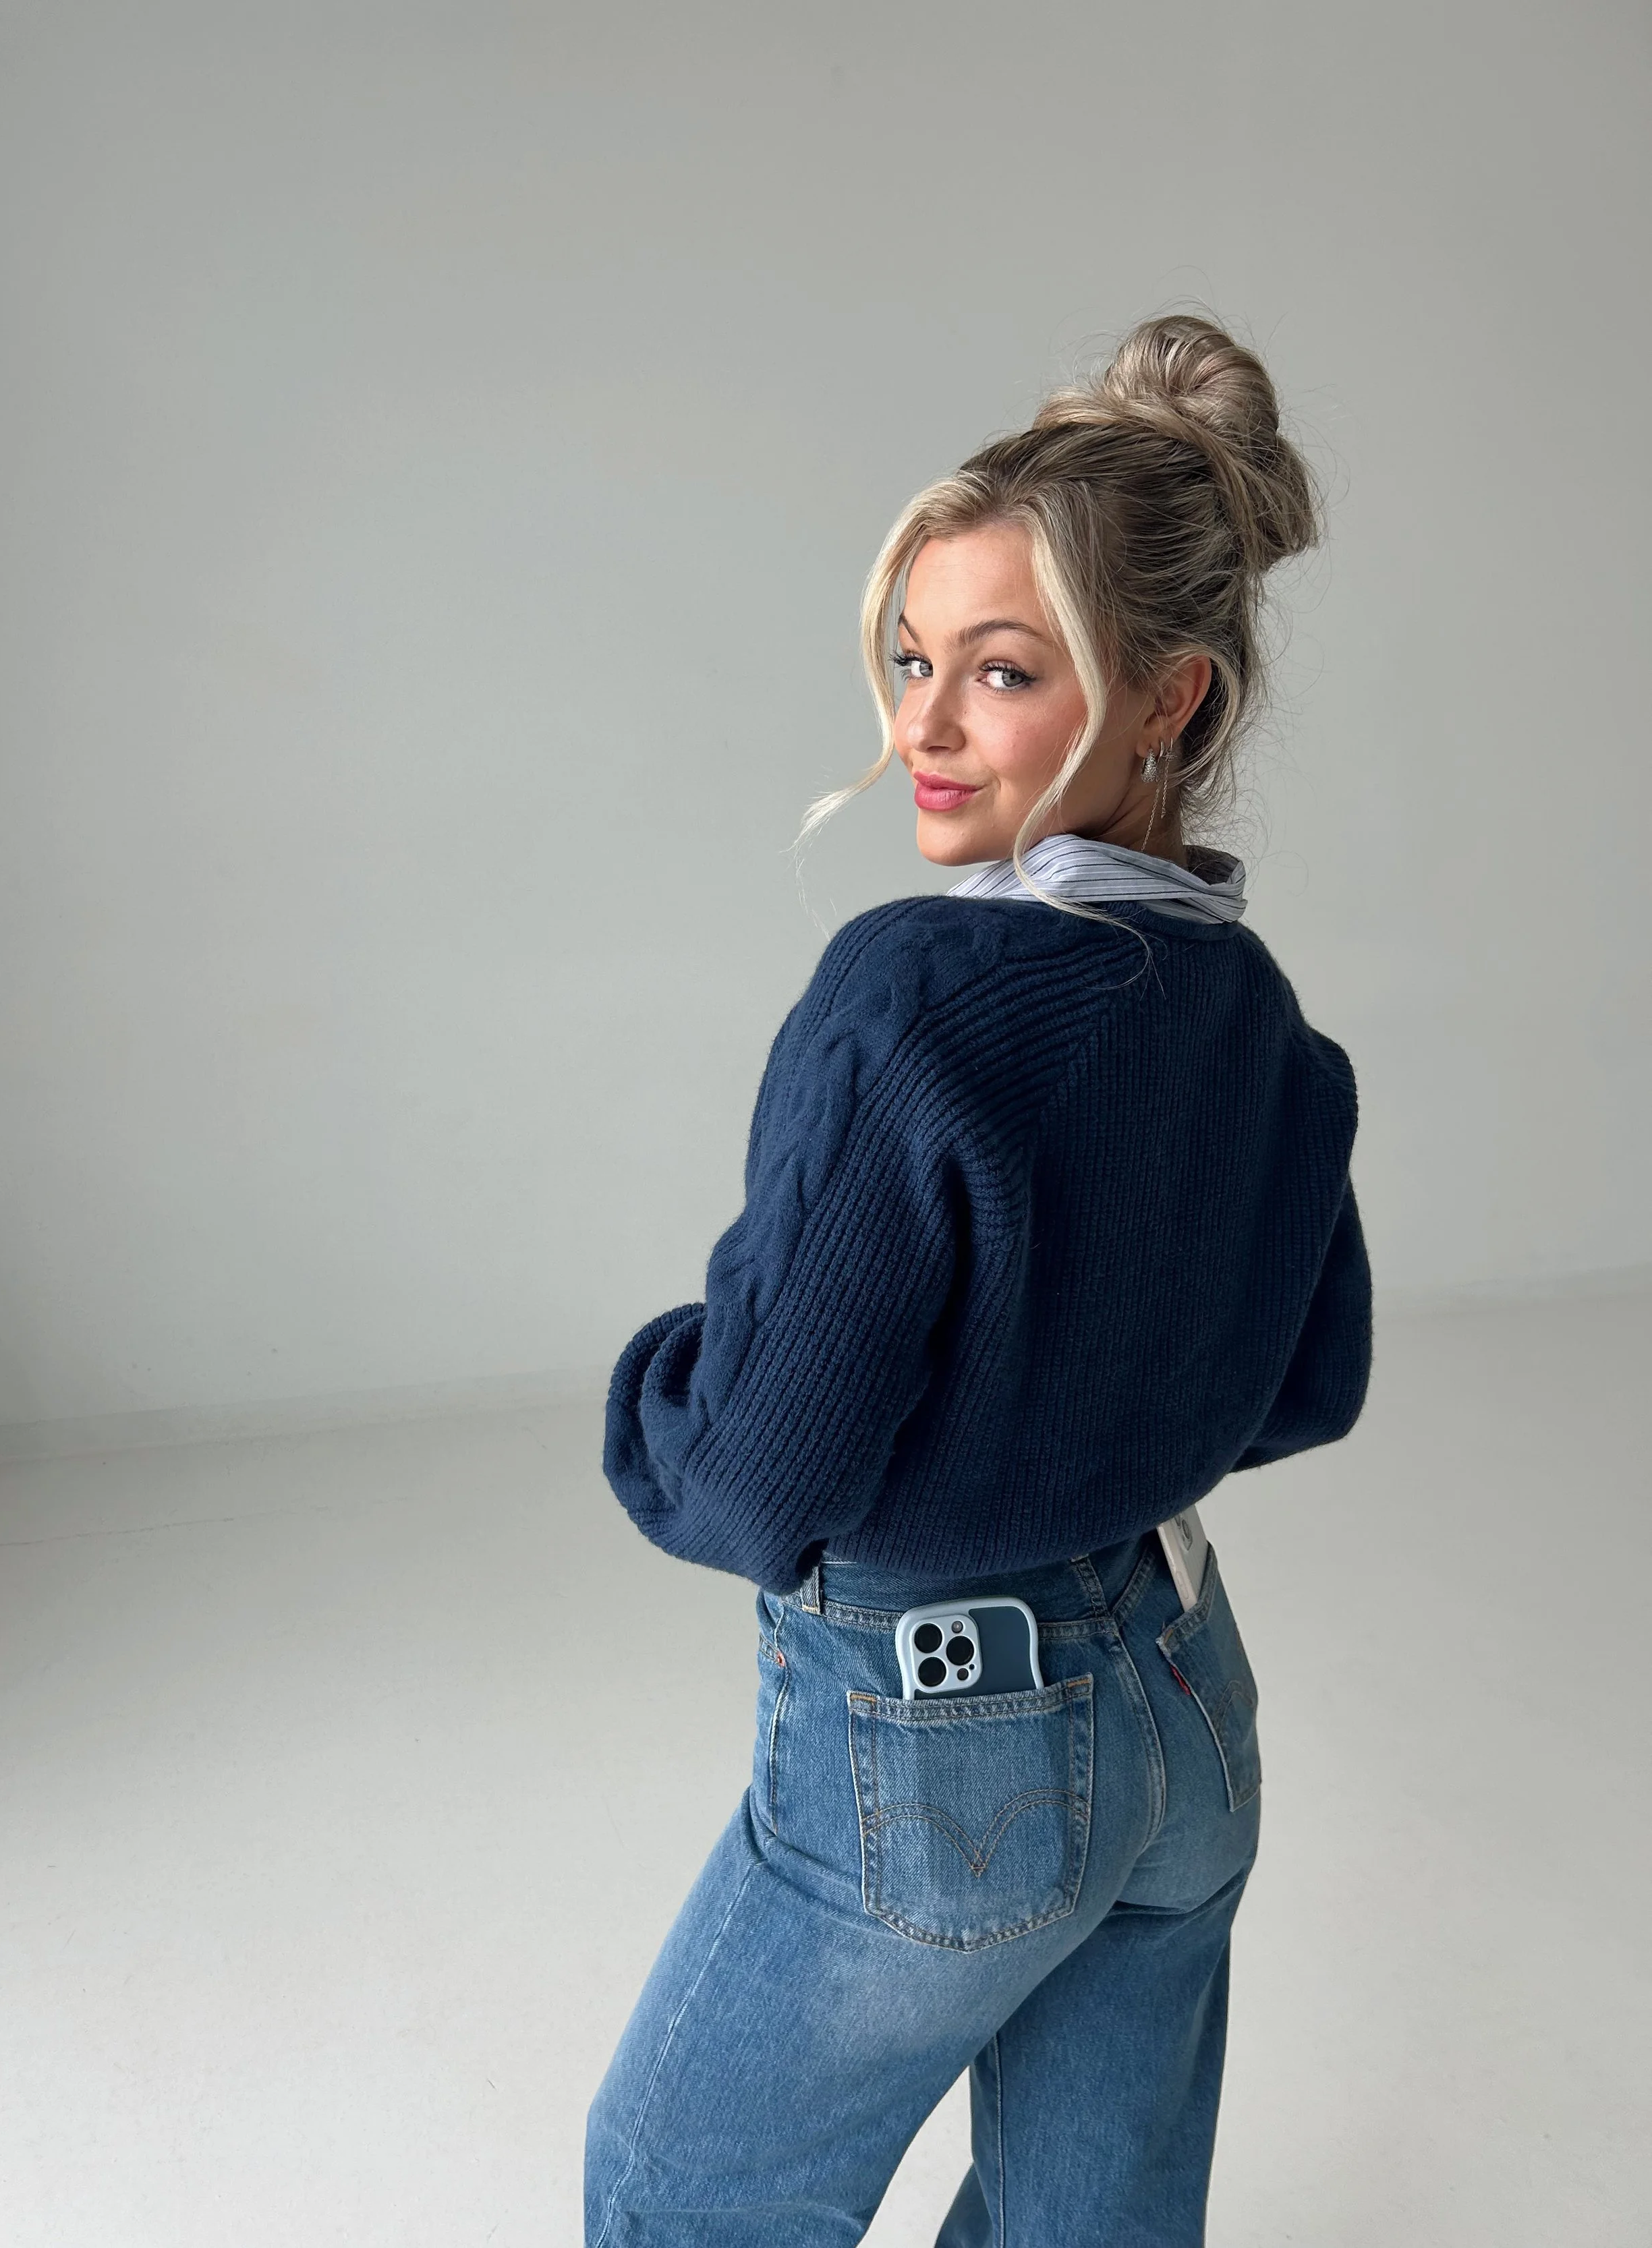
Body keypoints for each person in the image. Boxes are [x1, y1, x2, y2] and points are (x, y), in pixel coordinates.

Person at [586, 312, 1373, 2247]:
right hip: (1183, 1705)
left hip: (941, 1740)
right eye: (913, 660)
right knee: (1088, 2217)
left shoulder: (911, 993)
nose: (922, 727)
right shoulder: (1254, 1013)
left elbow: (760, 1473)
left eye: (1002, 673)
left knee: (683, 2192)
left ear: (1167, 697)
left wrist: (655, 1393)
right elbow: (1307, 1381)